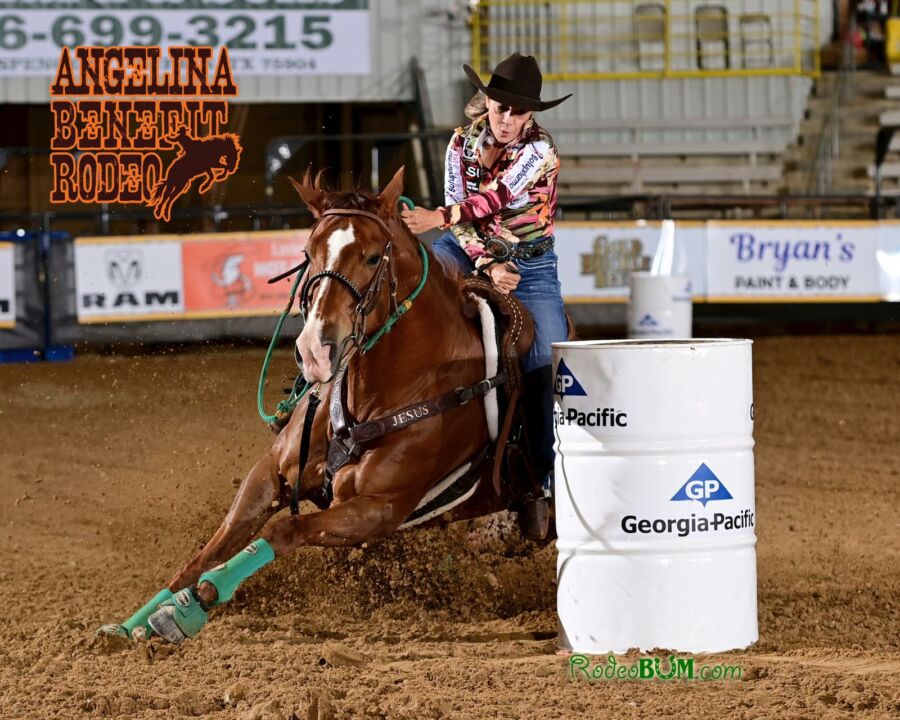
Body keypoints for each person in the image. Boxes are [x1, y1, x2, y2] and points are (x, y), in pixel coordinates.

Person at [402, 52, 571, 514]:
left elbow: (492, 199)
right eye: (501, 107)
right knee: (417, 288)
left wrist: (438, 217)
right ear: (488, 102)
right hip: (469, 246)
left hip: (531, 263)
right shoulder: (460, 143)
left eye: (517, 111)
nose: (507, 118)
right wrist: (485, 264)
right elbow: (464, 215)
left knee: (544, 360)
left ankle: (543, 479)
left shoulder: (541, 151)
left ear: (530, 113)